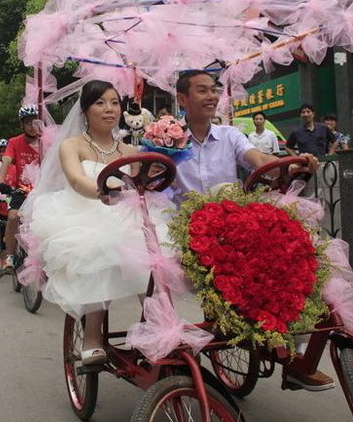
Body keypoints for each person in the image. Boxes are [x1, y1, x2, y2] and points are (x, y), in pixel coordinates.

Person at [174, 70, 333, 391]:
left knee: (292, 254)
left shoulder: (231, 135)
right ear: (182, 99)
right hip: (185, 229)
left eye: (213, 90)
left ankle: (293, 348)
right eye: (202, 90)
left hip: (232, 225)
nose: (210, 96)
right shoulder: (167, 139)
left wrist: (291, 164)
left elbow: (258, 158)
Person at [21, 80, 173, 365]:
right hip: (83, 211)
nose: (109, 109)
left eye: (115, 102)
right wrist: (103, 192)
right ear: (85, 110)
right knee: (97, 245)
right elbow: (77, 180)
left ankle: (159, 324)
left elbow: (141, 185)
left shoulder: (130, 151)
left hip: (126, 214)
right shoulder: (71, 145)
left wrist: (156, 170)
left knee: (151, 249)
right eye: (100, 103)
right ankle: (92, 334)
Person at [0, 105, 40, 272]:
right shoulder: (14, 142)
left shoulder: (45, 141)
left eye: (35, 121)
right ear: (22, 125)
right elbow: (6, 161)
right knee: (13, 216)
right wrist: (1, 182)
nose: (32, 126)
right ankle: (10, 255)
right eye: (28, 122)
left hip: (41, 190)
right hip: (21, 190)